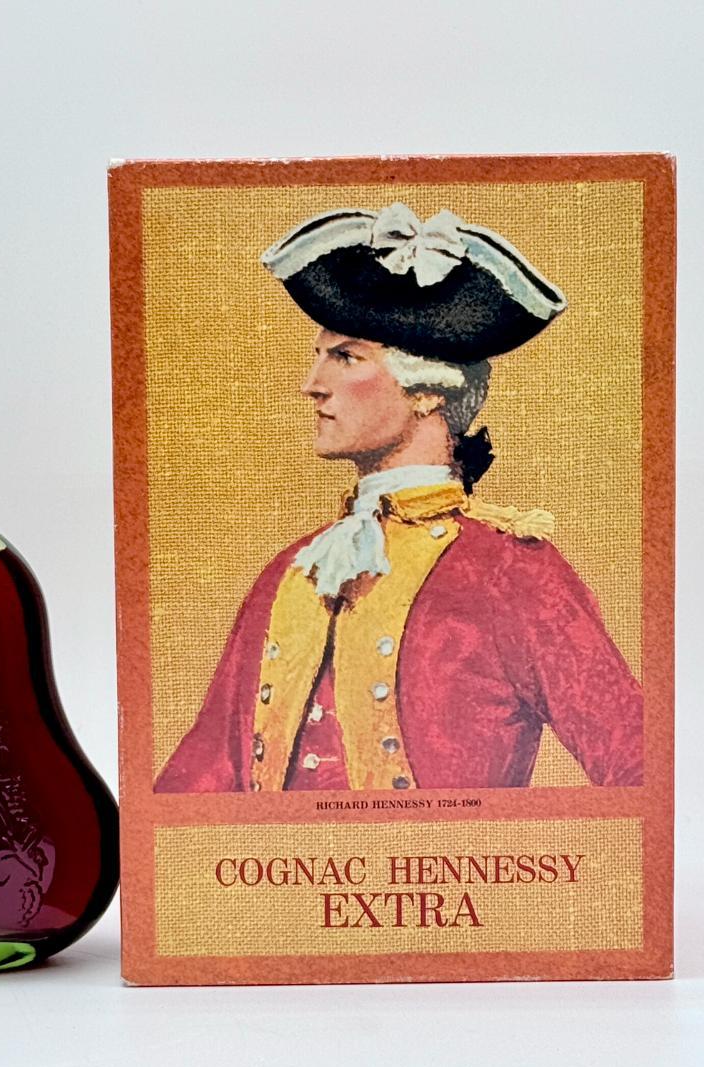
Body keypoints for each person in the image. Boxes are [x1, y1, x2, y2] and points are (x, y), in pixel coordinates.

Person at [155, 203, 643, 793]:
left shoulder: (512, 573)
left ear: (427, 391)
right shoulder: (294, 571)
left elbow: (641, 770)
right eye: (318, 357)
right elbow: (194, 793)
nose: (313, 385)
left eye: (345, 357)